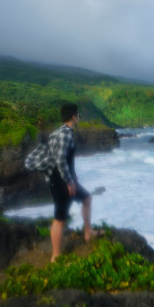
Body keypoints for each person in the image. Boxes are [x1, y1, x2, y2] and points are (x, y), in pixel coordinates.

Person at [47, 103, 98, 262]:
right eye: (78, 115)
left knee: (87, 198)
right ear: (74, 117)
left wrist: (73, 176)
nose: (79, 118)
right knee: (60, 218)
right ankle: (55, 256)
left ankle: (88, 232)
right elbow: (60, 160)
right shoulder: (66, 135)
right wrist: (69, 182)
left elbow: (62, 159)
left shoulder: (57, 133)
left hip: (61, 178)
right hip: (61, 181)